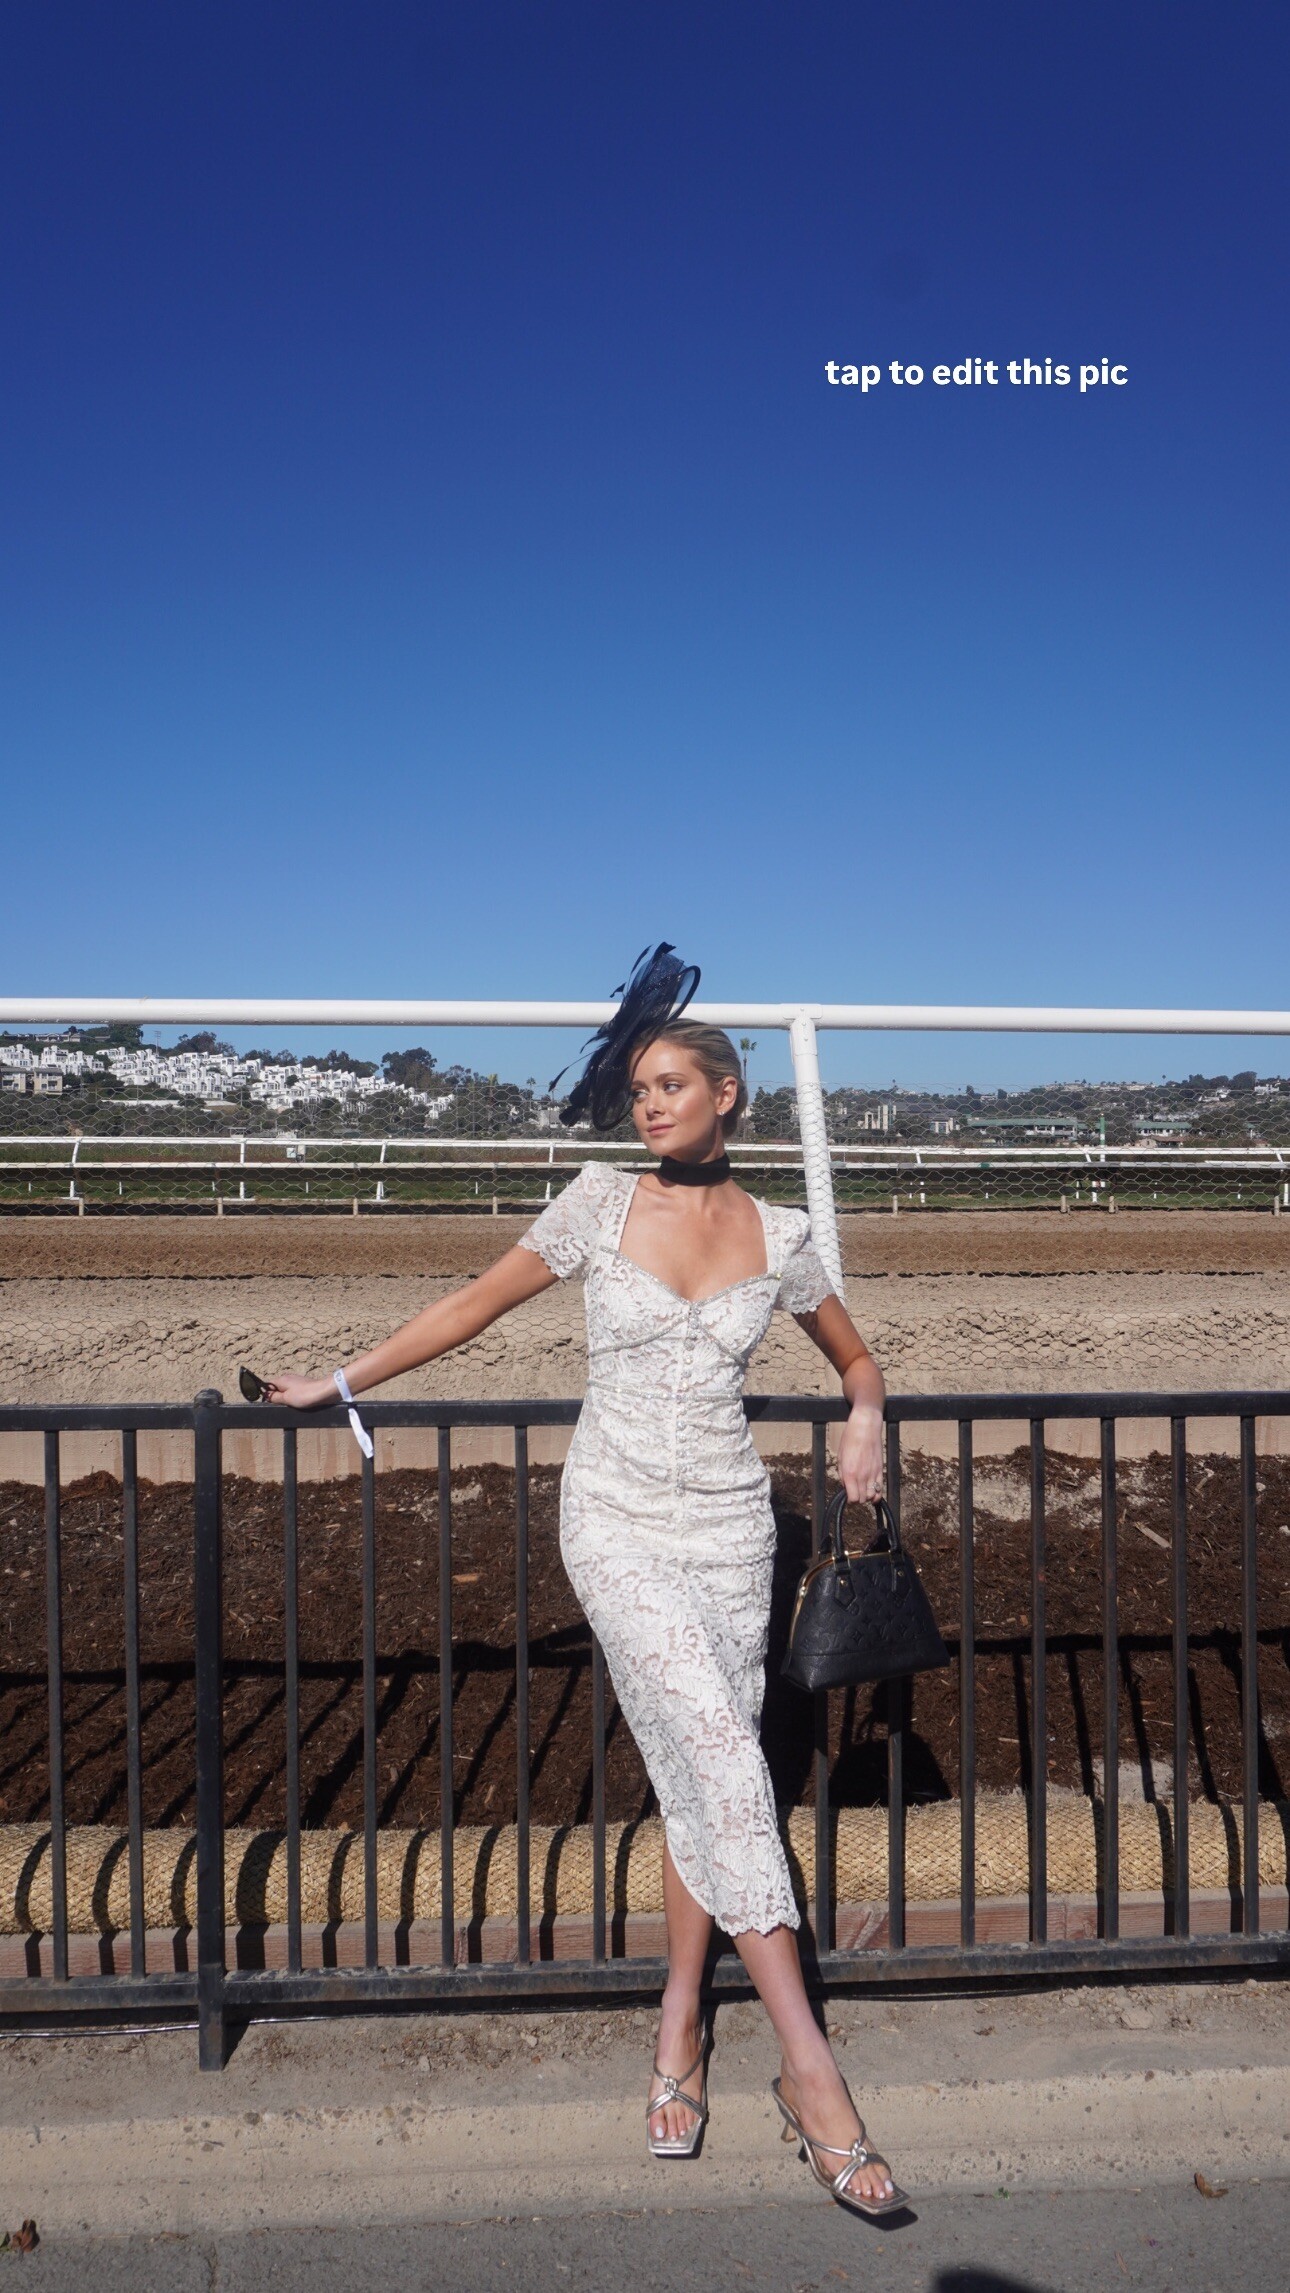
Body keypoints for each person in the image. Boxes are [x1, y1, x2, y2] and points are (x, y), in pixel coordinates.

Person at [262, 948, 904, 2217]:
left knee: (702, 1773)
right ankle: (811, 2070)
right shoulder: (597, 1202)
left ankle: (679, 2024)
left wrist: (867, 1413)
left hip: (732, 1533)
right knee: (726, 1762)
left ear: (727, 1094)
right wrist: (337, 1381)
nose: (649, 1104)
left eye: (671, 1085)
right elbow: (472, 1306)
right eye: (639, 1089)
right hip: (612, 1521)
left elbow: (856, 1356)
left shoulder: (783, 1236)